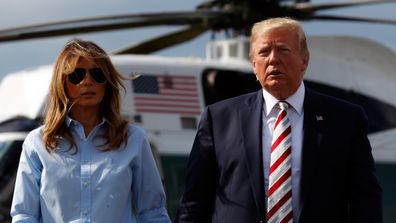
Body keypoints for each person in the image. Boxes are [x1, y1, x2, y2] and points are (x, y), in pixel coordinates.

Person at [175, 17, 382, 223]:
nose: (273, 59)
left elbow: (365, 201)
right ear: (254, 64)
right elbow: (194, 202)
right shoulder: (219, 119)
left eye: (283, 50)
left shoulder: (345, 119)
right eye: (264, 52)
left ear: (304, 60)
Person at [10, 39, 171, 223]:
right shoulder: (37, 143)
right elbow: (24, 215)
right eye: (77, 75)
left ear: (107, 81)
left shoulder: (133, 139)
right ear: (62, 84)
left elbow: (153, 212)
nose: (87, 81)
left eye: (97, 74)